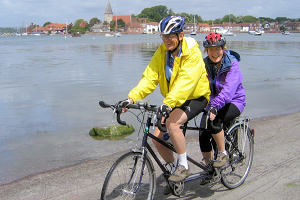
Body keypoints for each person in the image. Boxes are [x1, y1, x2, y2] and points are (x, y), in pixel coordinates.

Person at [120, 16, 210, 182]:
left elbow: (186, 82)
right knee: (157, 138)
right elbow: (150, 77)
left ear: (180, 35)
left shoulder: (192, 53)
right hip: (175, 99)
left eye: (170, 36)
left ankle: (183, 166)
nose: (166, 40)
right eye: (163, 36)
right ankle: (171, 168)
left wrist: (167, 104)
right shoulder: (162, 52)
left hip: (196, 96)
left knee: (172, 124)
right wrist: (131, 98)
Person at [199, 32, 246, 170]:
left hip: (235, 101)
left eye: (218, 48)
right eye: (211, 49)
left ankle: (222, 153)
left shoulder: (232, 63)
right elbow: (198, 85)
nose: (215, 53)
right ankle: (209, 169)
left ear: (223, 48)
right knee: (203, 132)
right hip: (214, 102)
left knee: (215, 122)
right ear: (206, 51)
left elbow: (229, 90)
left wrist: (214, 106)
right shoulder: (204, 64)